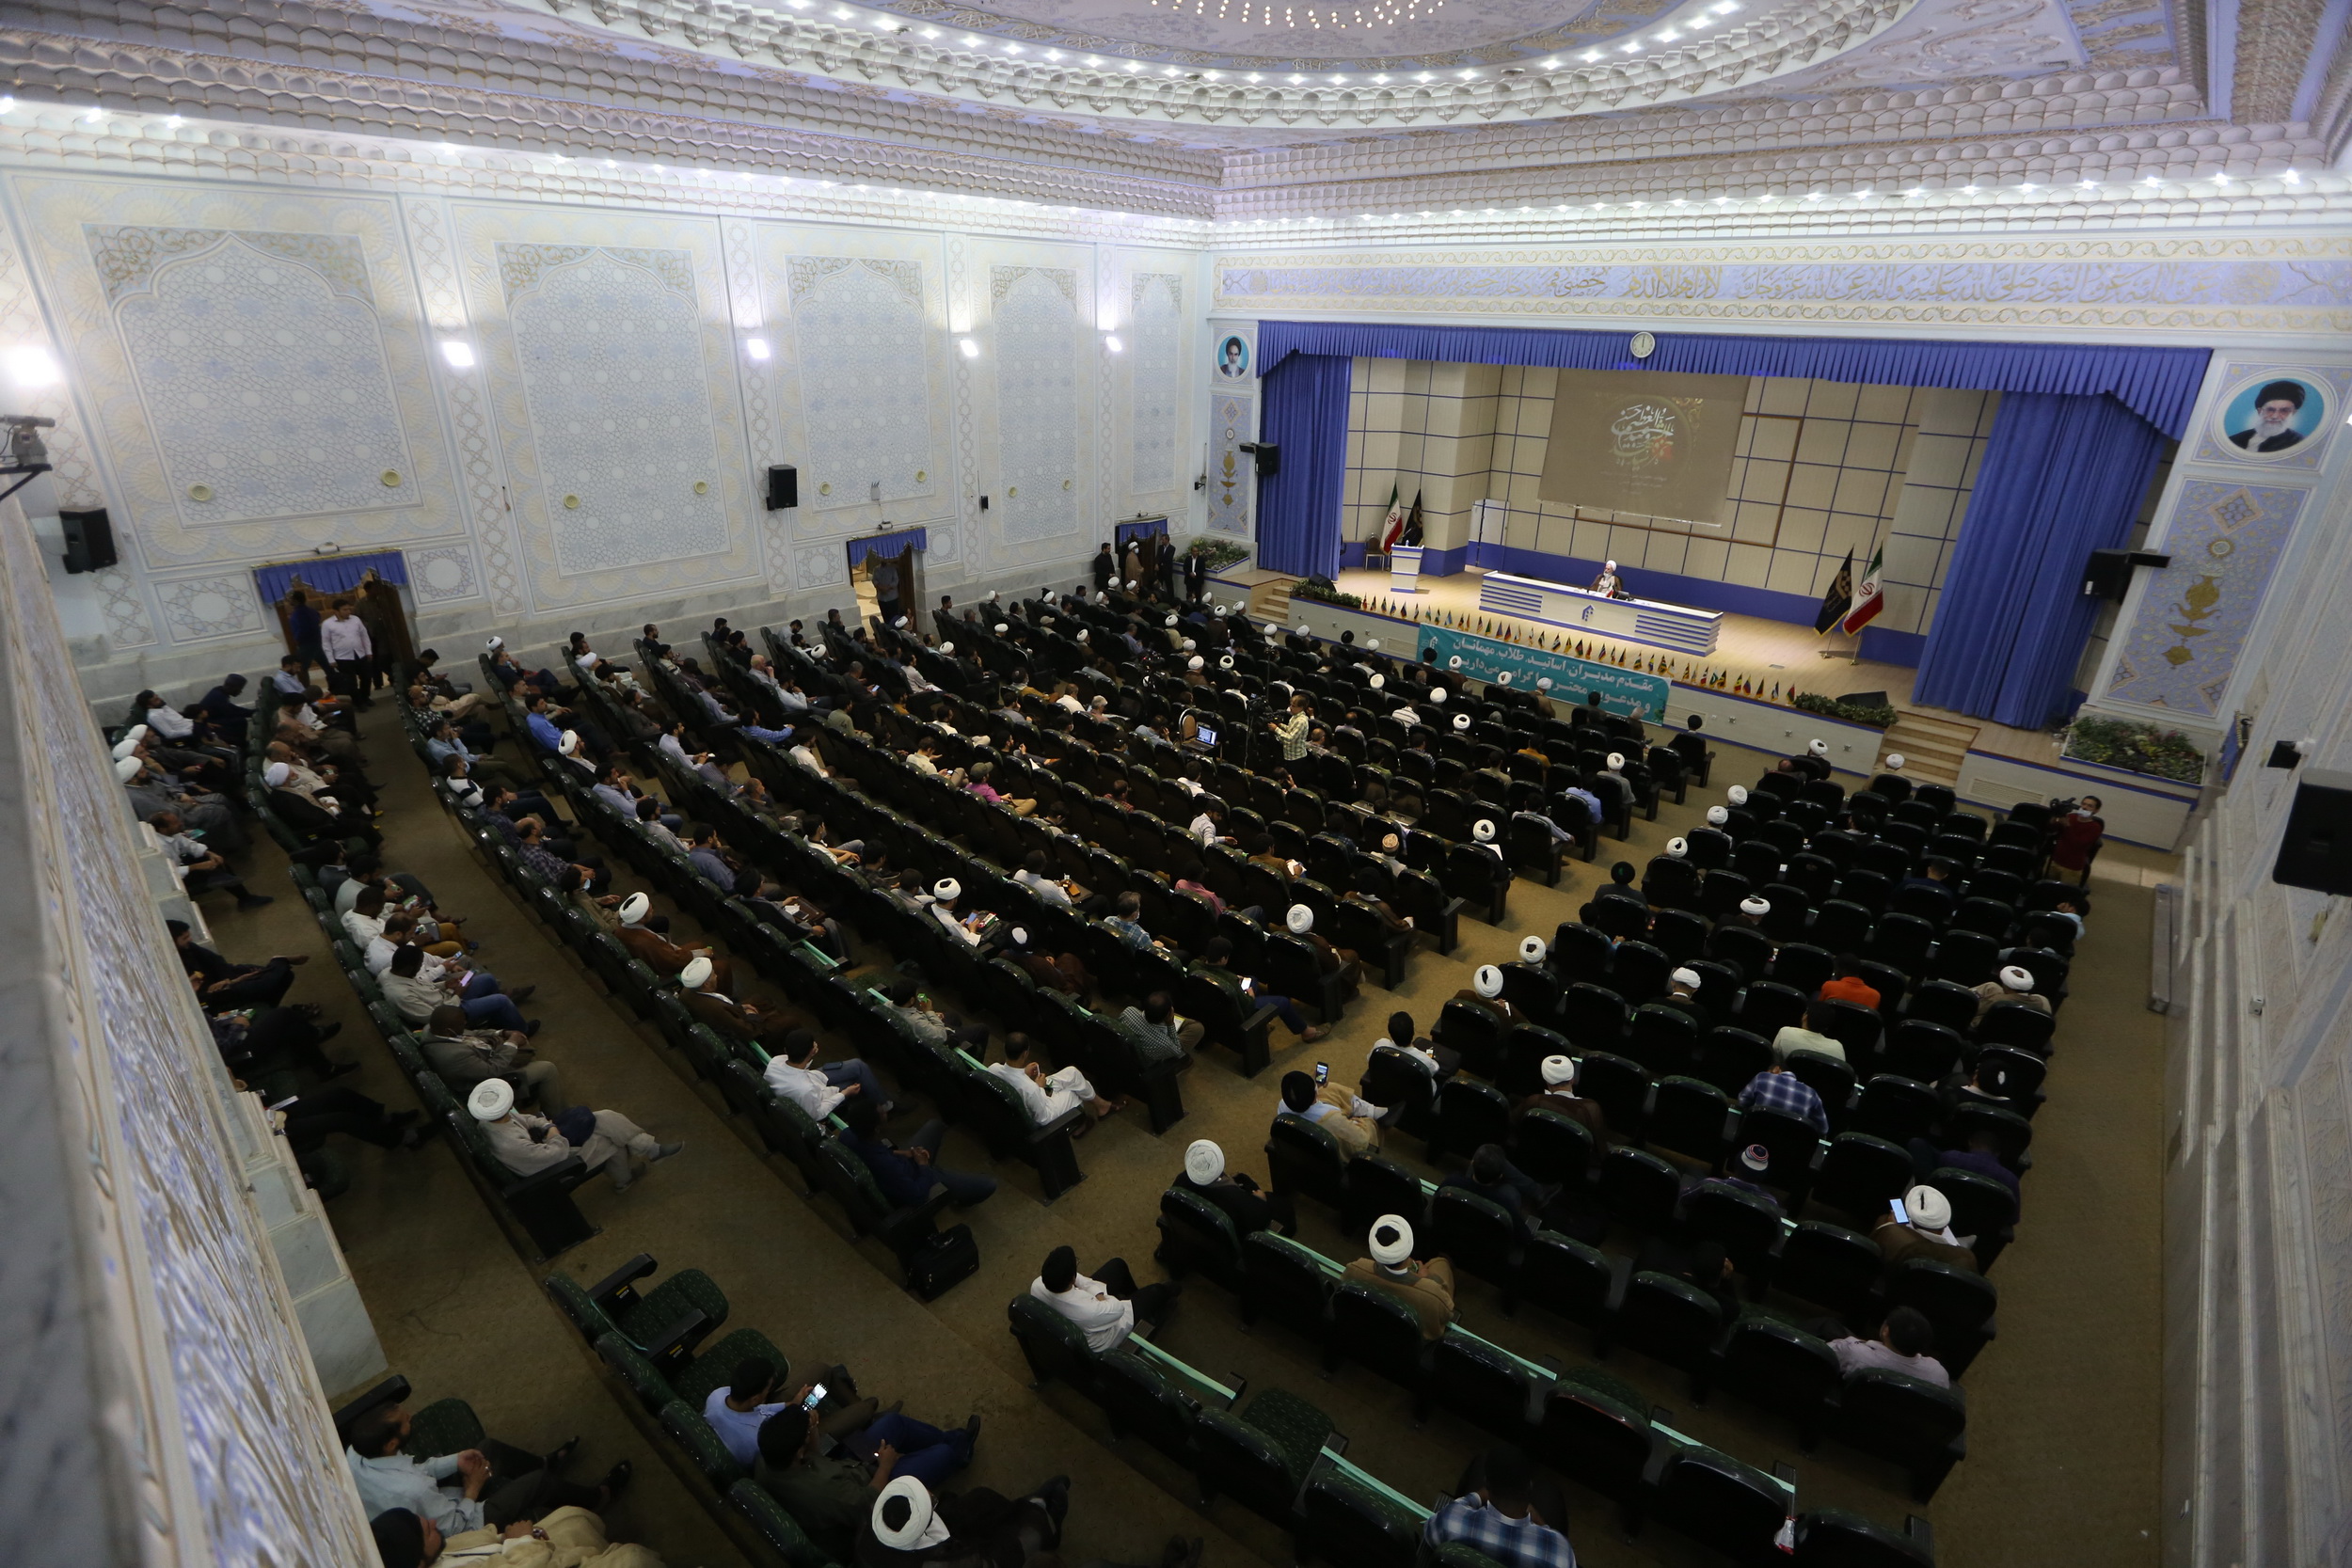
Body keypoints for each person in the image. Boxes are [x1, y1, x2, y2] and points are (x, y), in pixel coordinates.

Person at [345, 1402, 626, 1534]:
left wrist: (455, 1461)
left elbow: (414, 1469)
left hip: (430, 1505)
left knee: (485, 1451)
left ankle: (543, 1463)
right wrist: (473, 1488)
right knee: (539, 1482)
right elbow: (458, 1528)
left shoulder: (355, 1452)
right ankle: (598, 1499)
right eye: (405, 1421)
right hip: (464, 1527)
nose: (410, 1415)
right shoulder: (413, 1490)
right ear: (391, 1443)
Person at [755, 1402, 981, 1564]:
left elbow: (813, 1455)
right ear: (797, 1451)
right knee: (941, 1455)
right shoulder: (821, 1491)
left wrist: (811, 1429)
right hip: (875, 1499)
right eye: (806, 1434)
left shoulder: (769, 1456)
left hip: (846, 1470)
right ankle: (960, 1450)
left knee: (894, 1423)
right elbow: (868, 1502)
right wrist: (885, 1465)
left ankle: (954, 1439)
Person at [467, 1079, 679, 1193]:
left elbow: (528, 1119)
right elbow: (555, 1154)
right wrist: (553, 1131)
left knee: (604, 1117)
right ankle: (631, 1173)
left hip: (545, 1147)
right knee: (610, 1139)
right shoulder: (510, 1144)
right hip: (552, 1168)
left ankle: (650, 1151)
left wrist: (546, 1125)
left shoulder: (491, 1120)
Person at [1423, 1444, 1576, 1568]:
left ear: (1487, 1484)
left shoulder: (1451, 1522)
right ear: (1529, 1487)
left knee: (1480, 1462)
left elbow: (1430, 1534)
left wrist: (1478, 1496)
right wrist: (1540, 1522)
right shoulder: (1559, 1551)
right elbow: (1555, 1543)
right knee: (1550, 1494)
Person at [838, 1095, 996, 1210]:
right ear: (876, 1128)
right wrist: (923, 1166)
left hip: (906, 1164)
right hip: (917, 1178)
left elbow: (877, 1152)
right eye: (883, 1113)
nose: (886, 1112)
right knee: (988, 1185)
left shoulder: (848, 1135)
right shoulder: (888, 1167)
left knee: (935, 1126)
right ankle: (957, 1198)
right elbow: (918, 1196)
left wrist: (903, 1153)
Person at [1029, 1243, 1177, 1352]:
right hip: (1106, 1336)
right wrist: (1101, 1297)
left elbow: (1080, 1279)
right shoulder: (1089, 1312)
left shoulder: (1038, 1285)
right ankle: (1170, 1292)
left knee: (1117, 1265)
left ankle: (1135, 1295)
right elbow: (1117, 1308)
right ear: (1070, 1279)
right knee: (1157, 1291)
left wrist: (1098, 1294)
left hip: (1092, 1313)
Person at [421, 1005, 564, 1112]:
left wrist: (502, 1032)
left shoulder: (433, 1029)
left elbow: (473, 1033)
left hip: (483, 1058)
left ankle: (529, 1091)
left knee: (521, 1051)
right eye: (461, 1024)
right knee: (548, 1069)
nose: (464, 1025)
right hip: (486, 1085)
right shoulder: (453, 1056)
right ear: (449, 1030)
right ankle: (557, 1118)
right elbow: (492, 1071)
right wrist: (512, 1043)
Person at [1342, 1214, 1455, 1339]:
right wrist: (1427, 1279)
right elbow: (1447, 1313)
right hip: (1411, 1344)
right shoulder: (1433, 1296)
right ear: (1409, 1245)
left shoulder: (1356, 1269)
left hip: (1366, 1329)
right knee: (1440, 1263)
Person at [1193, 937, 1327, 1042]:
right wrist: (1250, 996)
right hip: (1238, 1011)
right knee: (1284, 1002)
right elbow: (1247, 1005)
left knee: (1252, 979)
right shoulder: (1230, 981)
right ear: (1223, 958)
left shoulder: (1194, 965)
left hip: (1213, 1002)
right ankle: (1307, 1033)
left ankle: (1262, 1027)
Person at [149, 809, 274, 910]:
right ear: (163, 829)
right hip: (173, 879)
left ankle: (242, 895)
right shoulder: (159, 847)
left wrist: (210, 854)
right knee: (207, 869)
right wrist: (197, 867)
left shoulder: (172, 834)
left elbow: (189, 845)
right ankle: (219, 879)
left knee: (216, 857)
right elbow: (169, 872)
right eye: (175, 823)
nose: (180, 823)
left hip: (180, 866)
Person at [988, 1037, 1118, 1132]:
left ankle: (1102, 1106)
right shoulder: (1031, 1088)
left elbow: (1012, 1080)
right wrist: (1040, 1087)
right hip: (1041, 1112)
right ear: (1025, 1054)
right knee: (1074, 1092)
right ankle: (1080, 1124)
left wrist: (1025, 1073)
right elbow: (1043, 1118)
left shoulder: (993, 1069)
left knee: (1072, 1073)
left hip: (1025, 1099)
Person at [766, 1026, 892, 1120]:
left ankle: (883, 1104)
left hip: (813, 1078)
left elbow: (800, 1065)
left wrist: (809, 1056)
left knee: (857, 1065)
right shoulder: (805, 1089)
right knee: (859, 1081)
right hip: (817, 1097)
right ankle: (884, 1110)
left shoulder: (776, 1061)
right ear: (811, 1052)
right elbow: (818, 1114)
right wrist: (844, 1094)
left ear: (785, 1050)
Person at [1176, 1138, 1293, 1236]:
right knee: (1283, 1206)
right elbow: (1262, 1220)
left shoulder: (1180, 1181)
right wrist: (1262, 1201)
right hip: (1233, 1243)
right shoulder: (1240, 1202)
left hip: (1204, 1234)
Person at [1826, 1307, 1950, 1389]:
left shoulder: (1855, 1352)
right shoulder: (1938, 1374)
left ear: (1886, 1330)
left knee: (1827, 1325)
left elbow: (1823, 1353)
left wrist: (1860, 1343)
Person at [1872, 1183, 1979, 1277]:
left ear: (1912, 1221)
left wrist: (1890, 1224)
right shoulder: (1966, 1258)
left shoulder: (1890, 1232)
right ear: (1944, 1228)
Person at [1278, 1068, 1382, 1156]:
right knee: (1370, 1124)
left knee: (1330, 1088)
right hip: (1326, 1151)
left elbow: (1300, 1096)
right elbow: (1362, 1142)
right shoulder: (1332, 1117)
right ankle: (1372, 1113)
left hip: (1306, 1141)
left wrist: (1314, 1085)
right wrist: (1359, 1123)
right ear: (1314, 1094)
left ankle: (1369, 1109)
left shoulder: (1283, 1104)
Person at [1736, 1061, 1828, 1135]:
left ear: (1776, 1069)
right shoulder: (1811, 1094)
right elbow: (1823, 1129)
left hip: (1754, 1138)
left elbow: (1742, 1101)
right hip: (1787, 1151)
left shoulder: (1763, 1077)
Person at [1117, 991, 1200, 1064]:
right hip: (1144, 1062)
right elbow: (1178, 1050)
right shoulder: (1166, 1044)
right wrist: (1170, 1024)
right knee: (1197, 1028)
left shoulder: (1128, 1011)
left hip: (1123, 1052)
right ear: (1168, 1015)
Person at [322, 597, 377, 706]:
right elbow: (326, 643)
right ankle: (358, 702)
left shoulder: (355, 619)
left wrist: (368, 651)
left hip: (360, 654)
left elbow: (364, 635)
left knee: (366, 677)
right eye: (344, 610)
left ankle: (365, 697)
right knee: (351, 682)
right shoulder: (327, 624)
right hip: (343, 657)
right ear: (336, 611)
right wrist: (331, 659)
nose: (348, 612)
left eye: (349, 609)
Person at [2230, 379, 2308, 451]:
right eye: (2270, 410)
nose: (2275, 416)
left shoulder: (2299, 444)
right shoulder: (2235, 439)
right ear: (2260, 411)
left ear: (2293, 413)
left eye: (2284, 411)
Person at [1971, 963, 2051, 1022]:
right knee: (1991, 986)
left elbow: (1975, 1010)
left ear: (2006, 986)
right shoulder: (2043, 1001)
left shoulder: (1998, 1001)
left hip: (1992, 1030)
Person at [2049, 797, 2105, 879]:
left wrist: (2067, 826)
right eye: (2083, 804)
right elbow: (2053, 830)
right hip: (2056, 860)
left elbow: (2078, 844)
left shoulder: (2095, 827)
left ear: (2096, 810)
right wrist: (2055, 816)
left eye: (2090, 806)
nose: (2085, 807)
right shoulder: (2071, 817)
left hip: (2072, 866)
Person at [1817, 957, 1881, 1011]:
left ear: (1843, 971)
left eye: (1835, 970)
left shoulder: (1829, 986)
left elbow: (1818, 1011)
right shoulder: (1875, 996)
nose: (1835, 973)